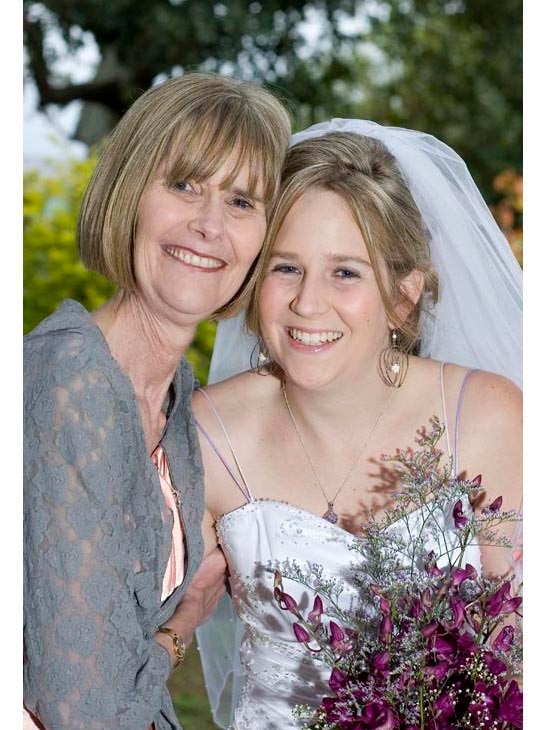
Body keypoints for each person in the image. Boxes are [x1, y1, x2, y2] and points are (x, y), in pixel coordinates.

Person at [191, 120, 523, 728]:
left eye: (346, 272)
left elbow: (519, 647)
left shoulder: (487, 418)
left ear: (403, 294)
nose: (308, 304)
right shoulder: (207, 432)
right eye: (285, 268)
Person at [23, 72, 291, 730]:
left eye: (240, 202)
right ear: (129, 191)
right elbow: (80, 709)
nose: (207, 226)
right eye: (184, 185)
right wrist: (181, 628)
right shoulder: (68, 381)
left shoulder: (181, 400)